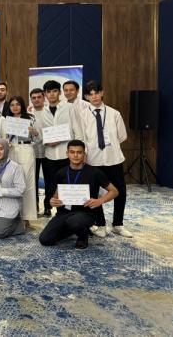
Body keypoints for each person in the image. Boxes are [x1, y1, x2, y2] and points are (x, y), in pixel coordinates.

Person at [39, 140, 119, 249]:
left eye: (79, 152)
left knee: (74, 221)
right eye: (72, 152)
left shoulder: (94, 172)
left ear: (84, 154)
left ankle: (83, 236)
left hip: (86, 212)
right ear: (67, 154)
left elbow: (114, 191)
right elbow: (56, 195)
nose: (75, 155)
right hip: (64, 212)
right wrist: (53, 201)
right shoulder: (61, 173)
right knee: (45, 240)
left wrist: (100, 201)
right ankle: (73, 229)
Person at [77, 80, 131, 238]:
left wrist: (109, 146)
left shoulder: (114, 113)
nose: (94, 96)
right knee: (94, 193)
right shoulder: (83, 115)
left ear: (102, 93)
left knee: (120, 192)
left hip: (113, 158)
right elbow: (81, 138)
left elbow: (122, 136)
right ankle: (100, 224)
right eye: (90, 94)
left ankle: (118, 224)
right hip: (93, 160)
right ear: (86, 97)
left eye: (97, 93)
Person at [37, 80, 82, 217]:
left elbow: (77, 130)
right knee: (50, 183)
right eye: (49, 92)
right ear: (45, 94)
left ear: (60, 93)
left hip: (66, 154)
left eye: (54, 91)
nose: (51, 94)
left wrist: (77, 151)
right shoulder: (42, 112)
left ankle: (67, 209)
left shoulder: (69, 108)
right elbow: (41, 134)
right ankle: (47, 207)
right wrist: (46, 141)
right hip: (50, 154)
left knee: (67, 183)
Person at [5, 95, 39, 223]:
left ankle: (27, 216)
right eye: (12, 105)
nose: (15, 107)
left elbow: (38, 137)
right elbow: (4, 136)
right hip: (11, 150)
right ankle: (14, 214)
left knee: (27, 181)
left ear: (22, 105)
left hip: (26, 149)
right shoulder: (6, 119)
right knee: (12, 182)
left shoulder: (30, 117)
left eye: (17, 104)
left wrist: (33, 131)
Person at [29, 88, 46, 209]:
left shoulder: (50, 112)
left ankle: (48, 207)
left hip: (48, 151)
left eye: (39, 97)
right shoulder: (28, 114)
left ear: (44, 98)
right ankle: (34, 206)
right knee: (33, 180)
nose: (36, 100)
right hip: (33, 152)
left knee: (49, 180)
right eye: (33, 98)